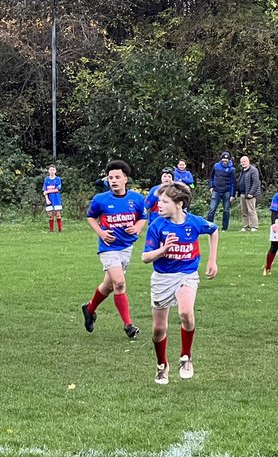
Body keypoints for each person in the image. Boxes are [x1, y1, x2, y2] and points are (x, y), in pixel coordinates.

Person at [141, 182, 219, 385]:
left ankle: (185, 357)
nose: (159, 205)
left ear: (179, 203)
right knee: (159, 329)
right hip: (162, 278)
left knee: (186, 312)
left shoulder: (194, 222)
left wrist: (212, 260)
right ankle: (161, 365)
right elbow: (145, 258)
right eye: (159, 201)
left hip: (187, 274)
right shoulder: (157, 225)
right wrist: (162, 250)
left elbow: (214, 230)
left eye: (164, 202)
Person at [81, 160, 146, 340]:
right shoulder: (100, 199)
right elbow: (90, 217)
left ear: (126, 179)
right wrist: (101, 232)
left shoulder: (136, 199)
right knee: (119, 283)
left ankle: (89, 309)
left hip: (126, 247)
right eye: (110, 178)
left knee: (108, 286)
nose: (114, 180)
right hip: (108, 248)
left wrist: (138, 228)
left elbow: (142, 217)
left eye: (117, 177)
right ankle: (128, 326)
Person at [206, 151, 236, 230]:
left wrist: (232, 195)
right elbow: (211, 177)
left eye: (226, 159)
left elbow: (233, 182)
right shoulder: (216, 166)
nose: (225, 160)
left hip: (227, 191)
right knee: (212, 209)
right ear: (221, 159)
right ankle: (209, 226)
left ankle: (224, 228)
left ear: (229, 160)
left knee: (226, 210)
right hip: (216, 190)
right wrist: (211, 186)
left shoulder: (231, 169)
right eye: (223, 158)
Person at [237, 155, 261, 231]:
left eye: (244, 161)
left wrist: (251, 193)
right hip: (242, 194)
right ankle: (245, 226)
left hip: (250, 194)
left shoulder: (253, 170)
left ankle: (254, 226)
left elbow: (256, 183)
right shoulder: (242, 170)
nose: (243, 163)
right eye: (241, 162)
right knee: (244, 212)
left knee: (251, 211)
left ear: (248, 161)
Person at [42, 165, 63, 232]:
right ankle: (51, 230)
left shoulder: (58, 179)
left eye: (53, 170)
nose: (52, 171)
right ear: (48, 171)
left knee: (58, 215)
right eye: (51, 170)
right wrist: (47, 199)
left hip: (56, 199)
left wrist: (48, 191)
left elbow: (57, 189)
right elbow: (44, 191)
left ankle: (60, 230)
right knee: (50, 215)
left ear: (55, 171)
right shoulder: (46, 180)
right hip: (49, 199)